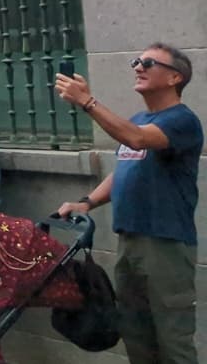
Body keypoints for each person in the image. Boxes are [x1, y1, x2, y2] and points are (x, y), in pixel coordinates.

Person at [56, 44, 200, 364]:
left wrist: (88, 101)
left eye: (148, 62)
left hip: (165, 245)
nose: (138, 66)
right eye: (137, 61)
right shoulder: (138, 120)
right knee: (136, 338)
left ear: (175, 77)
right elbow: (126, 169)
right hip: (130, 242)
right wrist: (87, 202)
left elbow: (136, 139)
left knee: (173, 343)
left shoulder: (181, 121)